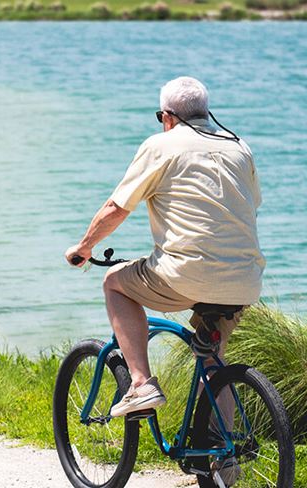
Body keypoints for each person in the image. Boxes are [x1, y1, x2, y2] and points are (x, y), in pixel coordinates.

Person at [64, 76, 264, 420]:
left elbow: (116, 208)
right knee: (212, 359)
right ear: (206, 113)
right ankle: (222, 448)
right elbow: (252, 204)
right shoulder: (239, 147)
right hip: (245, 281)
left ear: (167, 116)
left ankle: (141, 384)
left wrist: (84, 247)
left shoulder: (161, 146)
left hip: (185, 276)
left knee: (114, 283)